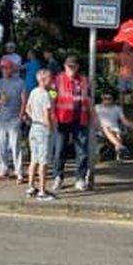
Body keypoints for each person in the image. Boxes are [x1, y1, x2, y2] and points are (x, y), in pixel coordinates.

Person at [52, 55, 95, 191]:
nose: (72, 68)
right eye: (69, 66)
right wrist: (52, 115)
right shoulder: (57, 79)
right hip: (62, 119)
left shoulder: (83, 80)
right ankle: (58, 177)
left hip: (80, 119)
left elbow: (88, 99)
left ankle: (80, 178)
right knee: (60, 150)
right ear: (65, 67)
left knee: (82, 151)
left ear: (77, 67)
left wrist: (93, 117)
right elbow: (51, 97)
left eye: (74, 66)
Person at [0, 57, 27, 182]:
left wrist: (20, 116)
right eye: (2, 68)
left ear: (12, 69)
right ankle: (3, 169)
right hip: (2, 118)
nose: (4, 70)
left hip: (14, 118)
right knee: (1, 145)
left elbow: (24, 100)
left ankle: (19, 172)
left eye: (7, 67)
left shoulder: (20, 82)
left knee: (15, 146)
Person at [25, 69, 56, 200]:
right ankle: (42, 191)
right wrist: (51, 129)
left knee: (34, 159)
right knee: (44, 161)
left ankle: (31, 186)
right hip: (43, 129)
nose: (52, 81)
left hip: (34, 127)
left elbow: (27, 108)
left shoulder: (33, 91)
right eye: (49, 78)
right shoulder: (45, 95)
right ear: (43, 79)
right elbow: (47, 115)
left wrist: (34, 118)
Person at [94, 91, 133, 161]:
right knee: (106, 128)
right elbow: (94, 120)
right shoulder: (97, 108)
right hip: (101, 130)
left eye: (109, 98)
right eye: (105, 98)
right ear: (102, 98)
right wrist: (98, 127)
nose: (106, 100)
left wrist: (130, 124)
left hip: (115, 129)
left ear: (112, 99)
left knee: (117, 133)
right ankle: (121, 148)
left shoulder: (117, 108)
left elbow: (124, 120)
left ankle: (120, 152)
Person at [116, 43, 133, 115]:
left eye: (128, 46)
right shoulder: (120, 55)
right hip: (122, 76)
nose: (126, 47)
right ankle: (121, 110)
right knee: (121, 93)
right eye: (124, 46)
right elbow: (118, 65)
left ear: (130, 47)